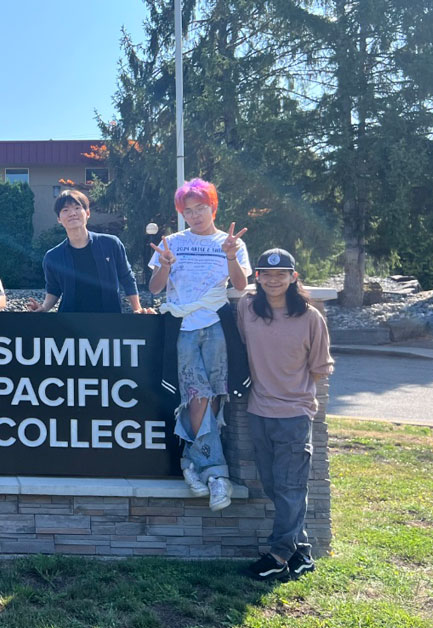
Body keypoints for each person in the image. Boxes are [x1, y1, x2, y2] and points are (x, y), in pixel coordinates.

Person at [148, 178, 251, 511]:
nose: (194, 215)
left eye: (200, 208)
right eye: (188, 210)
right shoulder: (173, 243)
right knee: (197, 397)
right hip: (183, 328)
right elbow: (154, 288)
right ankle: (216, 473)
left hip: (217, 325)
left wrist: (231, 256)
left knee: (215, 396)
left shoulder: (230, 242)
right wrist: (164, 265)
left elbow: (240, 285)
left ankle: (192, 463)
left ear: (213, 208)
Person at [237, 248, 333, 580]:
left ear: (294, 277)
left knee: (291, 487)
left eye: (281, 274)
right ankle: (301, 553)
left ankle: (279, 555)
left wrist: (293, 393)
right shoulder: (247, 309)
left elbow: (319, 368)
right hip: (258, 412)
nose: (273, 280)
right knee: (273, 485)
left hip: (294, 415)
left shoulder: (310, 318)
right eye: (266, 274)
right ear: (258, 277)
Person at [27, 189, 154, 314]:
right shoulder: (52, 256)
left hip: (109, 319)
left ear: (87, 213)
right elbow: (53, 289)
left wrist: (137, 308)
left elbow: (127, 277)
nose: (72, 213)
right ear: (59, 219)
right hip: (69, 322)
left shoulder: (111, 244)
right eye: (65, 210)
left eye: (77, 208)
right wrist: (44, 308)